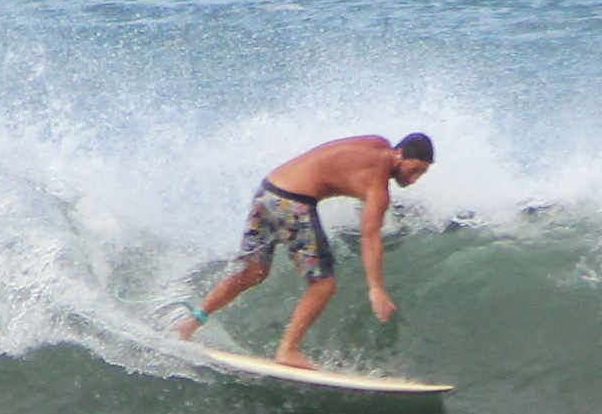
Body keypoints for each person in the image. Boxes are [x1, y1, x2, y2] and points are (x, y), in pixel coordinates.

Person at [177, 133, 434, 369]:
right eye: (413, 170)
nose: (413, 179)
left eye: (421, 175)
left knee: (254, 273)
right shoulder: (377, 187)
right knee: (323, 285)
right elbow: (370, 236)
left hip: (267, 190)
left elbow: (331, 156)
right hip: (293, 202)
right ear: (399, 154)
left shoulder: (376, 142)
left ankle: (189, 325)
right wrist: (376, 288)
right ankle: (287, 350)